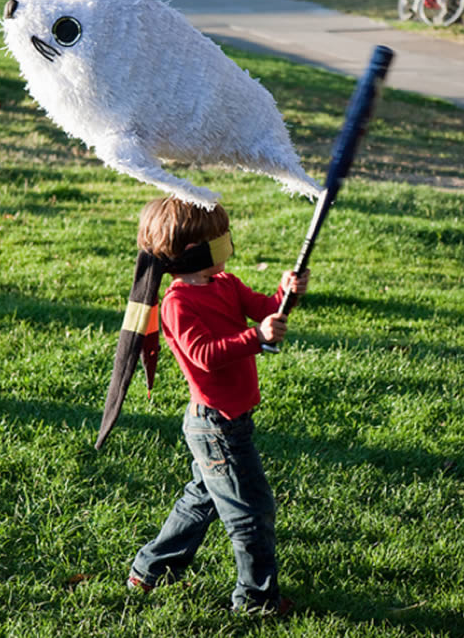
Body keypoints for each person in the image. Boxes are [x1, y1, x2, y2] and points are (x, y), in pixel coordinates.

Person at [126, 197, 310, 615]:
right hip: (216, 426)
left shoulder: (226, 283)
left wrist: (287, 294)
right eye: (220, 237)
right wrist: (255, 337)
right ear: (196, 250)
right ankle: (257, 601)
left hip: (228, 422)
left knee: (203, 499)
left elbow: (266, 311)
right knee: (251, 512)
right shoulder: (177, 303)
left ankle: (150, 570)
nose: (228, 243)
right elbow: (205, 354)